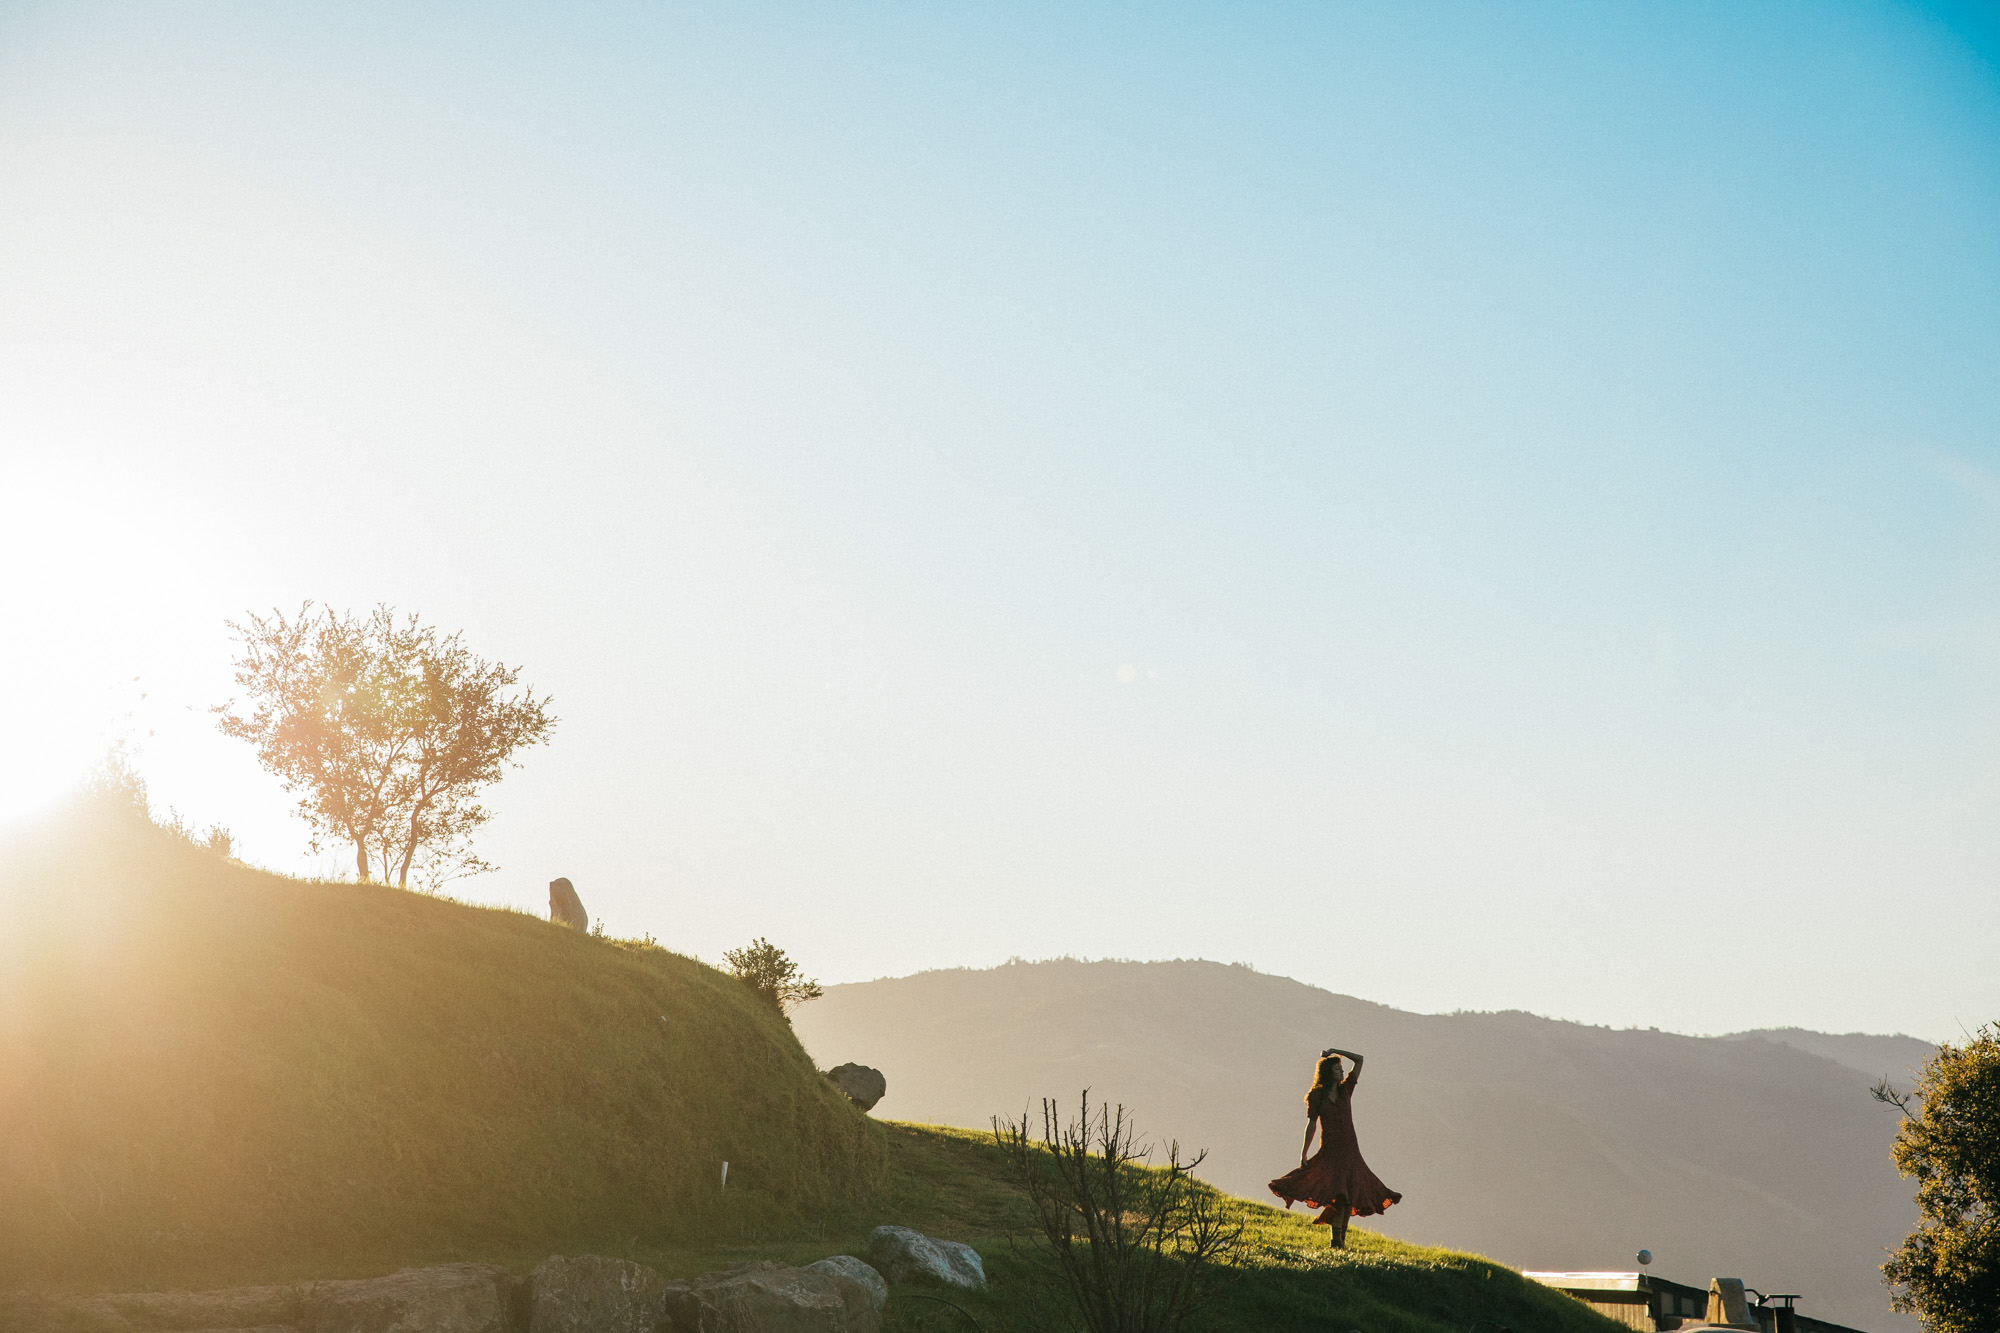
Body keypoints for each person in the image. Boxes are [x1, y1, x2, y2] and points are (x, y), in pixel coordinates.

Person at [1267, 1046, 1401, 1247]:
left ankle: (1339, 1243)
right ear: (1328, 1072)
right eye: (1338, 1069)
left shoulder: (1345, 1090)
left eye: (1341, 1068)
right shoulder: (1316, 1096)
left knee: (1347, 1198)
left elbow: (1360, 1059)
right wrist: (1304, 1152)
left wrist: (1336, 1051)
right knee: (1339, 1197)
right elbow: (1311, 1125)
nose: (1342, 1071)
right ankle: (1336, 1242)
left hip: (1350, 1151)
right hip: (1330, 1152)